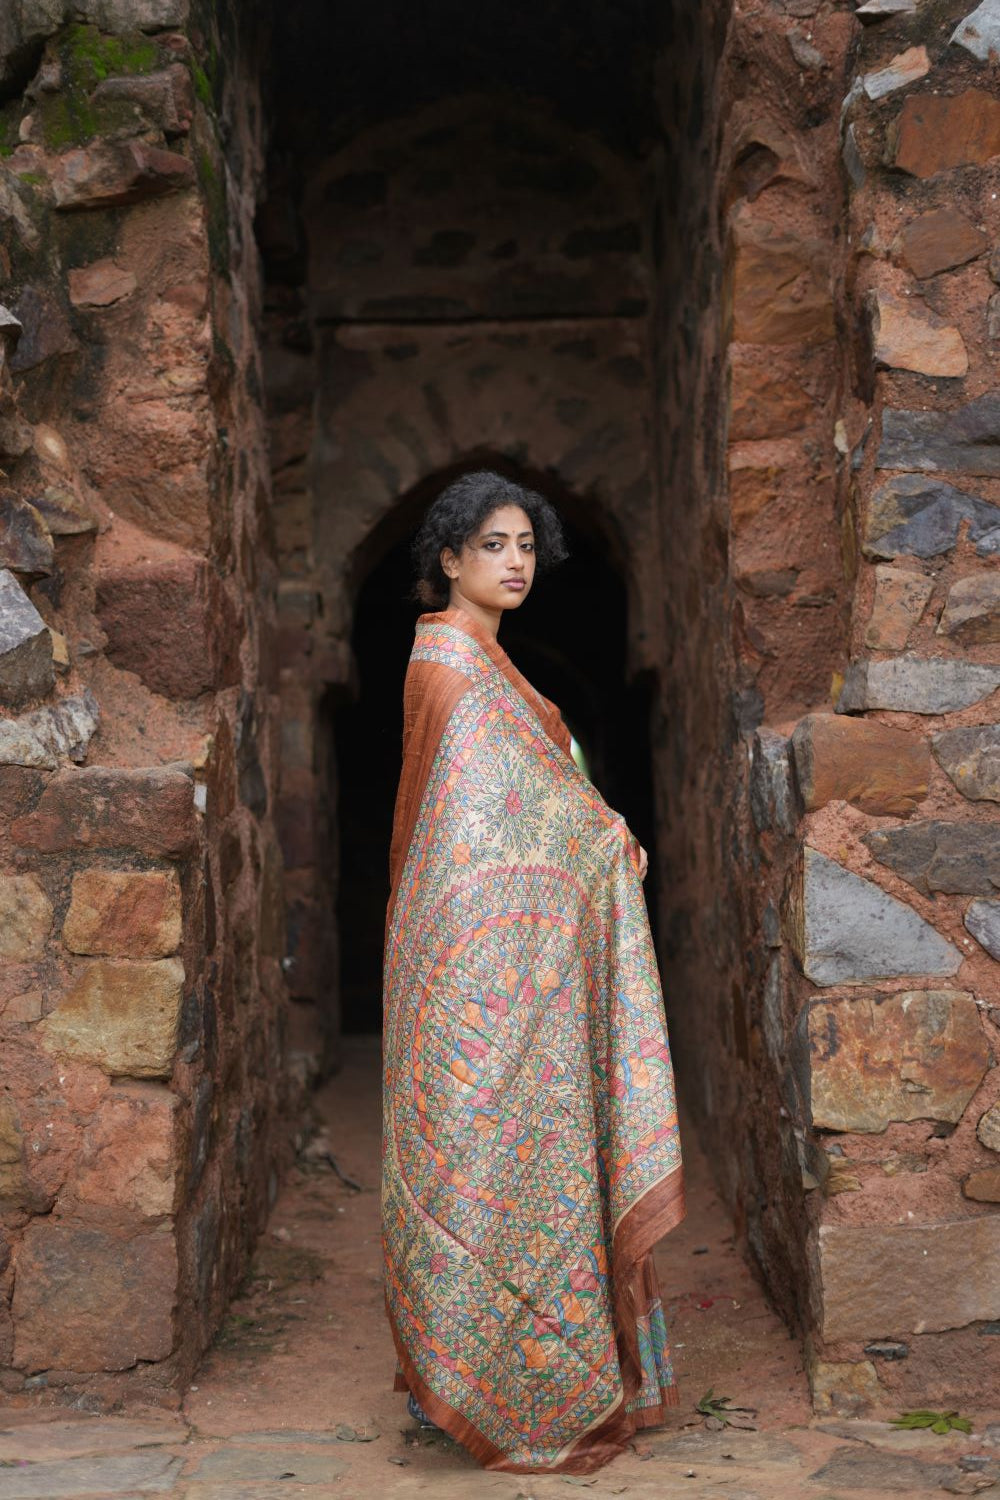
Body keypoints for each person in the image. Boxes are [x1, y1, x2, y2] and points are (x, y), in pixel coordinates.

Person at [381, 470, 684, 1474]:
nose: (514, 563)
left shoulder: (494, 665)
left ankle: (505, 1373)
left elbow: (535, 803)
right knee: (481, 1158)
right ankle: (472, 1381)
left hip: (521, 969)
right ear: (449, 559)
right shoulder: (450, 666)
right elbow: (477, 832)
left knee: (528, 1161)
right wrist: (598, 840)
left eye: (524, 546)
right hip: (479, 975)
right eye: (491, 546)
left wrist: (593, 835)